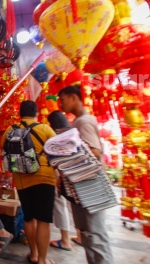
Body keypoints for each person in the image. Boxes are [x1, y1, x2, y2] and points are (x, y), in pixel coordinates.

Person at [58, 85, 114, 264]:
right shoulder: (79, 121)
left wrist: (64, 150)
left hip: (90, 186)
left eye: (63, 99)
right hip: (83, 186)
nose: (61, 104)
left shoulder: (84, 122)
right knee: (90, 235)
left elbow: (94, 151)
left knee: (96, 235)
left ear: (74, 98)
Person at [0, 100, 57, 264]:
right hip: (45, 177)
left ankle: (33, 254)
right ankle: (43, 260)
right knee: (44, 220)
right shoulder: (45, 129)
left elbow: (3, 150)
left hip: (22, 179)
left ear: (20, 113)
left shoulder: (11, 130)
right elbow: (58, 151)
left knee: (29, 217)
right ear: (36, 113)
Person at [46, 111, 74, 252]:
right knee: (68, 206)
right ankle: (73, 236)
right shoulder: (71, 133)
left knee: (60, 205)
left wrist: (59, 177)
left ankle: (65, 240)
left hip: (61, 174)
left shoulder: (57, 137)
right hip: (73, 175)